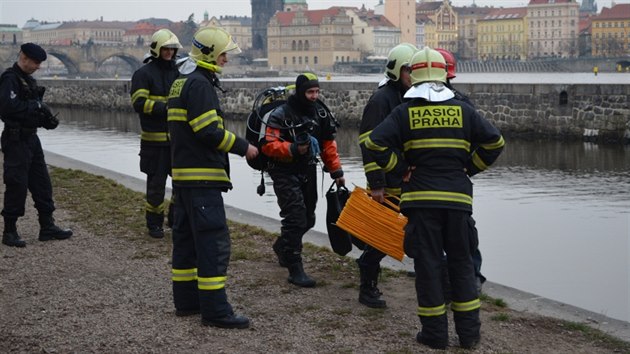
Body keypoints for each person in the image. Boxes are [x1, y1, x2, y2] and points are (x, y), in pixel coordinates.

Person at [364, 47, 504, 350]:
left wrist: (401, 169)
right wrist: (468, 168)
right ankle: (469, 335)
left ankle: (435, 335)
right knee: (462, 266)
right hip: (457, 202)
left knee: (428, 267)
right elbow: (496, 142)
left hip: (421, 202)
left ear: (413, 75)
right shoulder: (463, 109)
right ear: (443, 75)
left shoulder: (404, 111)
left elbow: (374, 143)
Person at [166, 26, 258, 329]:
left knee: (186, 242)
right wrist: (245, 148)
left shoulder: (181, 82)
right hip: (202, 179)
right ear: (209, 54)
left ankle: (187, 302)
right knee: (212, 244)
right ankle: (216, 311)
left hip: (183, 178)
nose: (226, 59)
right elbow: (208, 131)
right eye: (222, 54)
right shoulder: (200, 85)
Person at [262, 72, 345, 288]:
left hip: (308, 170)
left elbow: (328, 145)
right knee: (296, 218)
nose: (314, 96)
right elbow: (267, 145)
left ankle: (283, 246)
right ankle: (295, 269)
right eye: (310, 92)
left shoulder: (320, 113)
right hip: (283, 170)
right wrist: (292, 148)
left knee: (308, 219)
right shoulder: (281, 114)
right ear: (300, 92)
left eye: (317, 91)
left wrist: (337, 172)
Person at [356, 42, 417, 308]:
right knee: (382, 237)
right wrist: (377, 184)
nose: (411, 75)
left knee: (418, 230)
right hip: (387, 182)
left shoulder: (410, 95)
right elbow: (367, 143)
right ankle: (367, 286)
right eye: (408, 70)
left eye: (414, 70)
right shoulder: (381, 100)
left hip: (407, 179)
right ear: (396, 71)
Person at [0, 43, 73, 248]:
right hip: (15, 140)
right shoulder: (10, 79)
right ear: (23, 57)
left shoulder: (28, 80)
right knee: (17, 184)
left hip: (32, 138)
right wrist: (35, 107)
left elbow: (31, 110)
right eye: (35, 62)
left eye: (40, 63)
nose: (38, 66)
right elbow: (7, 108)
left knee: (42, 183)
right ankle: (10, 231)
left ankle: (47, 226)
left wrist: (45, 119)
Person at [435, 47, 486, 291]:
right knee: (464, 233)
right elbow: (490, 142)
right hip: (458, 185)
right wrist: (469, 169)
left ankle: (442, 276)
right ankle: (470, 276)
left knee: (431, 234)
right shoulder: (464, 105)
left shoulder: (411, 105)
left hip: (426, 185)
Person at [130, 29, 182, 239]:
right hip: (154, 143)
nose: (169, 52)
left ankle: (175, 219)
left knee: (180, 184)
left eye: (172, 49)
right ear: (156, 49)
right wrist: (166, 108)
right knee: (155, 188)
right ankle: (154, 224)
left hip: (176, 141)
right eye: (165, 49)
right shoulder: (143, 74)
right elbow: (139, 103)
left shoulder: (177, 74)